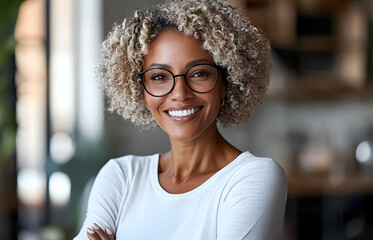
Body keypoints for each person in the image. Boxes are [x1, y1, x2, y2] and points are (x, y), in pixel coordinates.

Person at [74, 0, 287, 239]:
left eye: (198, 73)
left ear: (226, 83)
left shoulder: (253, 177)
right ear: (141, 89)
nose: (179, 93)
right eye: (159, 76)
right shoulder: (121, 177)